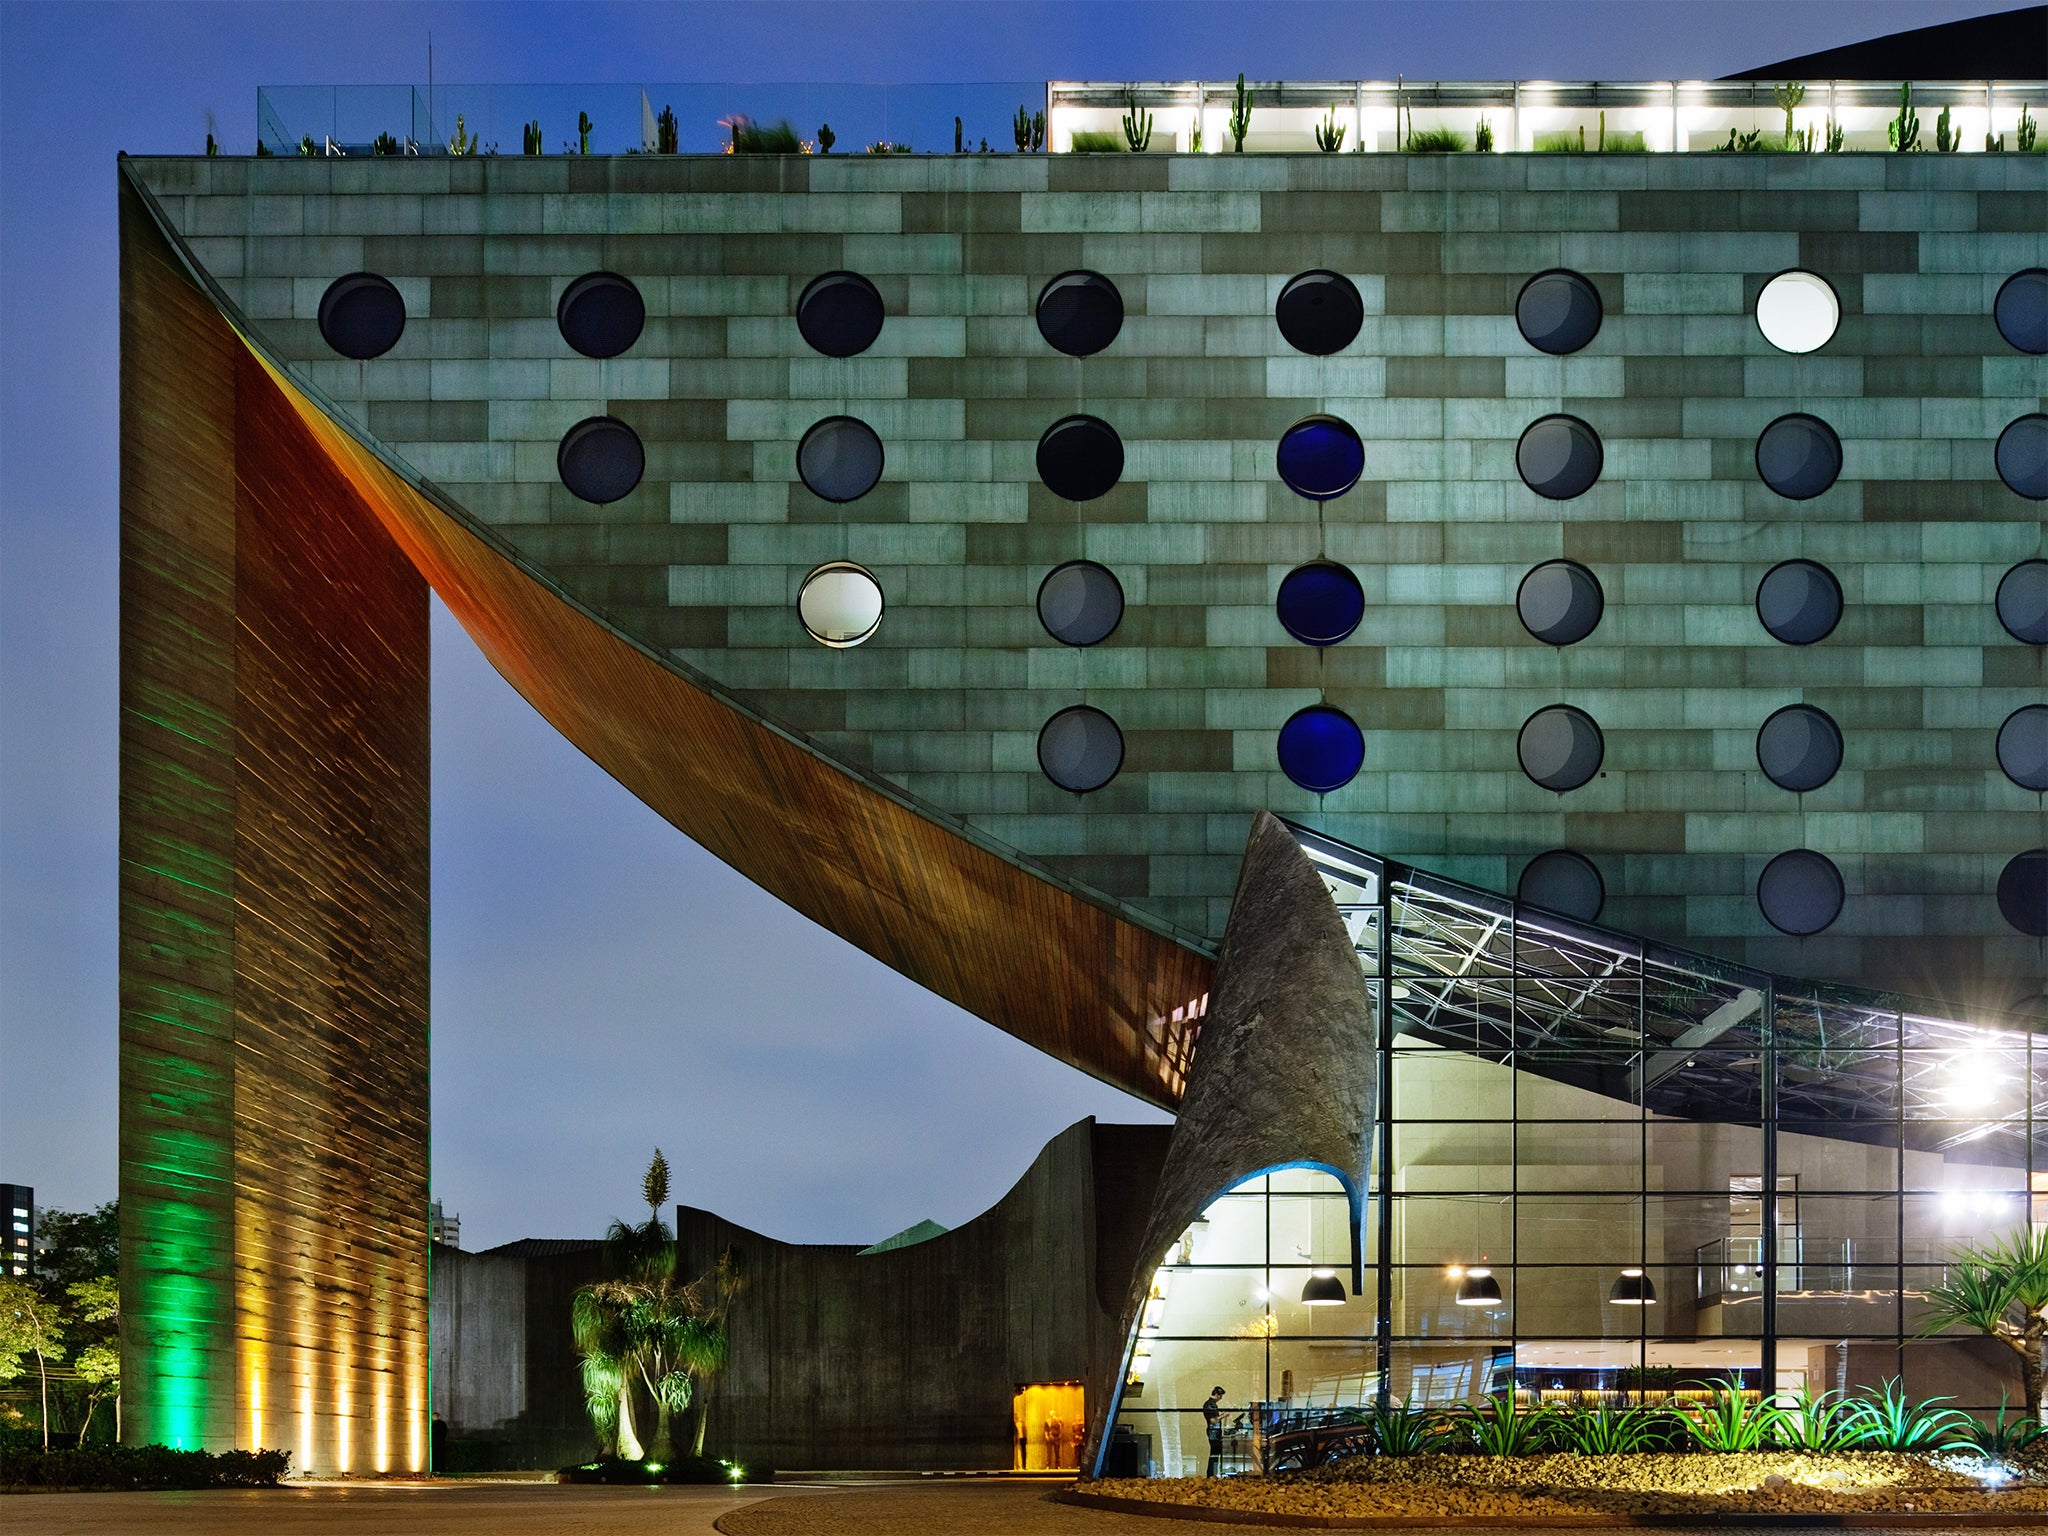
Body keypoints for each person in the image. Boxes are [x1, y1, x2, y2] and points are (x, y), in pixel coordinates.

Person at [1202, 1386, 1226, 1476]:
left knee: (1214, 1454)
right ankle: (1212, 1474)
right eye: (1220, 1396)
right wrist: (1224, 1415)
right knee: (1215, 1454)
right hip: (1214, 1433)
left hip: (1213, 1432)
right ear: (1216, 1394)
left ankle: (1212, 1473)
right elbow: (1213, 1420)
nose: (1221, 1398)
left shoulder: (1209, 1404)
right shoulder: (1210, 1404)